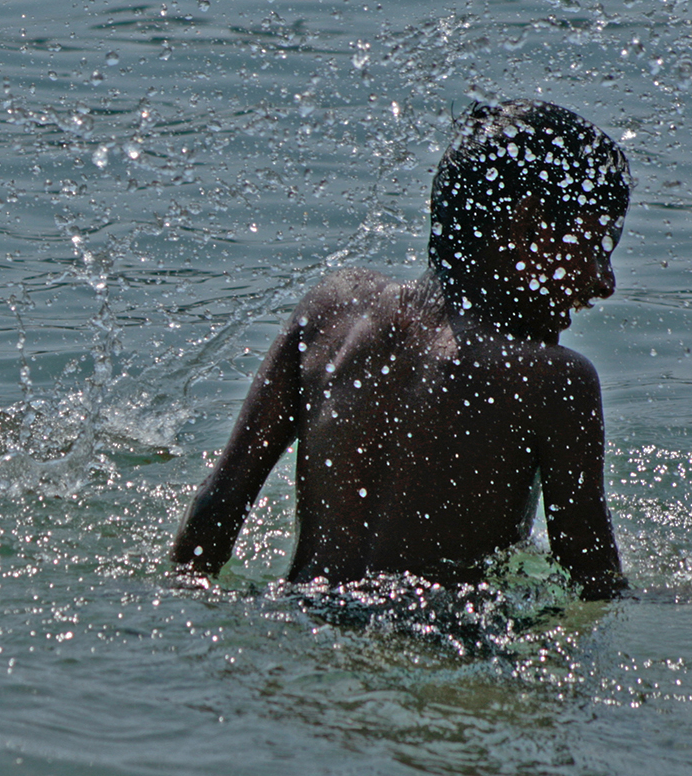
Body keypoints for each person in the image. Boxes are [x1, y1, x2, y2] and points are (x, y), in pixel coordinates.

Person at [171, 100, 631, 601]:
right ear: (527, 227)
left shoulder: (335, 308)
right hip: (435, 646)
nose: (603, 280)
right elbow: (595, 583)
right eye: (594, 245)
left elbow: (214, 510)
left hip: (299, 623)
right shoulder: (553, 381)